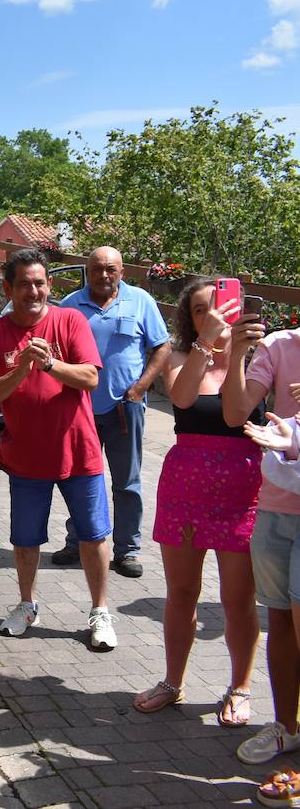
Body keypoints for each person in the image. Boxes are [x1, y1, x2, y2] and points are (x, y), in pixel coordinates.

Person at [131, 281, 260, 730]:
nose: (211, 315)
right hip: (186, 488)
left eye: (219, 306)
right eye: (200, 310)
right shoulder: (182, 357)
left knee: (237, 600)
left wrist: (238, 352)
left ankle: (239, 686)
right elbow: (183, 399)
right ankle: (173, 681)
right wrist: (208, 343)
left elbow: (238, 416)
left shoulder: (259, 359)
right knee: (181, 593)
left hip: (243, 492)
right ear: (191, 318)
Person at [0, 248, 118, 651]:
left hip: (79, 452)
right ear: (8, 288)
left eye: (40, 283)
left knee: (93, 536)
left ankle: (100, 611)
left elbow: (90, 377)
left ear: (49, 285)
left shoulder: (70, 320)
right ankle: (26, 605)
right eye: (24, 284)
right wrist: (21, 368)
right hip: (26, 455)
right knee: (25, 539)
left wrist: (51, 365)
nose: (33, 291)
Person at [53, 247, 171, 577]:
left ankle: (127, 550)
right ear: (86, 271)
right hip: (80, 410)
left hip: (125, 408)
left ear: (122, 271)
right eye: (97, 269)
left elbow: (162, 346)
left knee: (127, 483)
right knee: (79, 480)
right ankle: (78, 542)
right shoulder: (70, 306)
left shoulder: (141, 301)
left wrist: (140, 387)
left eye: (111, 269)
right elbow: (55, 356)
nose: (104, 275)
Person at [223, 308, 300, 766]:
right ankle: (286, 728)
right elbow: (236, 413)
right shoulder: (280, 346)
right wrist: (236, 352)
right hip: (275, 505)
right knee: (281, 621)